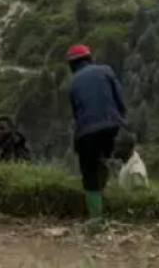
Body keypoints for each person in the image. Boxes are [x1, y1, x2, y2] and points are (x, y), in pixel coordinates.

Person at [67, 43, 127, 228]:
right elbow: (120, 99)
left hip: (87, 132)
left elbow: (77, 115)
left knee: (89, 170)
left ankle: (96, 218)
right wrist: (120, 121)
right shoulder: (106, 70)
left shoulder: (73, 83)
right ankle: (110, 196)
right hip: (113, 125)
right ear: (89, 58)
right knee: (103, 159)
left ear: (72, 65)